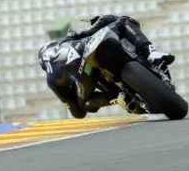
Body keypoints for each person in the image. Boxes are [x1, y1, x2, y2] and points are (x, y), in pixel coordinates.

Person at [38, 15, 174, 119]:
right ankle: (151, 52)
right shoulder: (67, 41)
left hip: (83, 75)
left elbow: (77, 113)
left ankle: (118, 97)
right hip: (87, 54)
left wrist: (77, 92)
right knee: (124, 21)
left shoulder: (51, 78)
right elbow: (109, 22)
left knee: (83, 104)